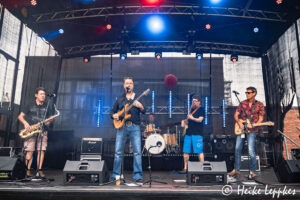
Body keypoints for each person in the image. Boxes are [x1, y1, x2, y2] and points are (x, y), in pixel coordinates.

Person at [111, 77, 145, 185]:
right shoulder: (120, 99)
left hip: (135, 127)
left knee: (137, 152)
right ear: (124, 85)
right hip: (122, 127)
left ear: (133, 85)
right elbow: (112, 112)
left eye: (130, 83)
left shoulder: (138, 98)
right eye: (127, 83)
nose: (128, 85)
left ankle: (138, 176)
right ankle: (116, 174)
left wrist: (141, 106)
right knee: (118, 152)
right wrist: (114, 115)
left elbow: (145, 110)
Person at [228, 86, 265, 178]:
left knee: (251, 150)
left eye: (248, 93)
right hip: (241, 129)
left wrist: (256, 124)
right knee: (237, 149)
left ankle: (252, 171)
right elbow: (236, 115)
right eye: (246, 92)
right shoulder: (242, 103)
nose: (247, 94)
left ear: (254, 93)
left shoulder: (259, 104)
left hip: (252, 130)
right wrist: (239, 123)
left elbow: (261, 117)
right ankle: (236, 170)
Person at [18, 87, 53, 177]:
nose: (43, 96)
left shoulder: (47, 106)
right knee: (30, 150)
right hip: (31, 130)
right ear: (36, 95)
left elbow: (50, 119)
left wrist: (48, 122)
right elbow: (20, 116)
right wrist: (25, 123)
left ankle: (39, 170)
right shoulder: (29, 105)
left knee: (41, 150)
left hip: (42, 130)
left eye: (44, 94)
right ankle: (27, 170)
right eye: (41, 94)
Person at [181, 95, 204, 173]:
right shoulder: (191, 110)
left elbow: (200, 120)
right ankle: (185, 168)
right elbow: (188, 121)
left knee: (199, 151)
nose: (193, 102)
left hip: (197, 133)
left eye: (195, 101)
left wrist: (192, 118)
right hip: (189, 133)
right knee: (185, 151)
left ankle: (202, 167)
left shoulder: (201, 109)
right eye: (192, 101)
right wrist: (184, 122)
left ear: (199, 102)